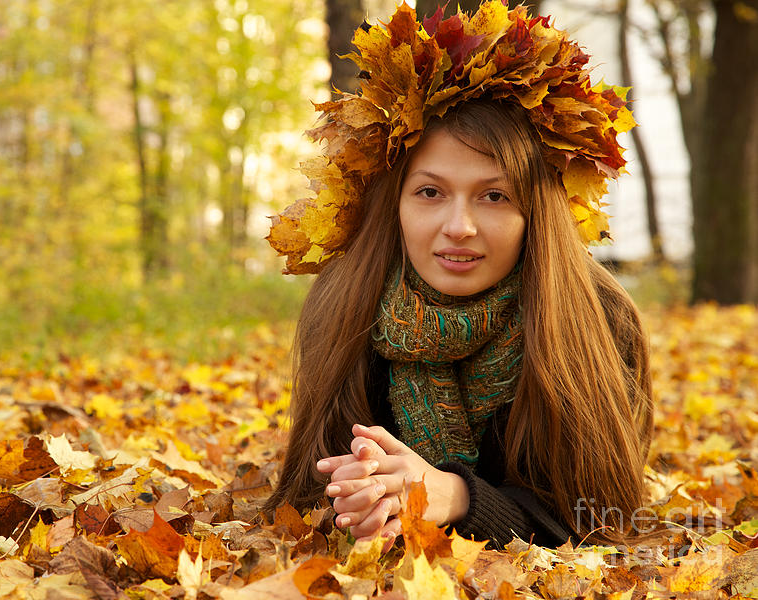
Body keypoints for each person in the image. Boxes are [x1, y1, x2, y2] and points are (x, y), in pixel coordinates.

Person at [265, 0, 653, 549]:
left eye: (494, 196)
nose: (459, 226)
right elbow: (306, 492)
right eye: (430, 192)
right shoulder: (345, 303)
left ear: (533, 213)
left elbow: (603, 519)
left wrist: (455, 497)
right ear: (395, 204)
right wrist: (356, 496)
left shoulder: (596, 318)